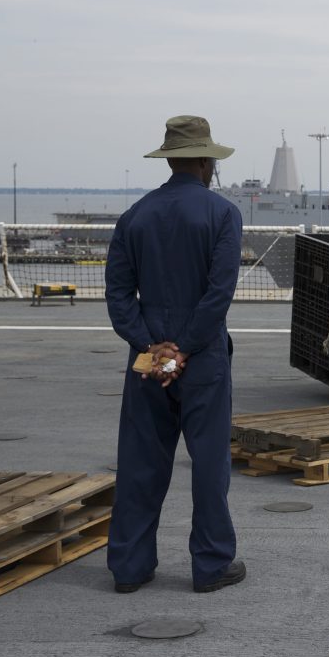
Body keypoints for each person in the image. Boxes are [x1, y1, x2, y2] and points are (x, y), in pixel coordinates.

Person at [105, 115, 247, 593]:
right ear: (206, 161)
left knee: (141, 463)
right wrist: (184, 349)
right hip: (202, 359)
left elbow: (119, 295)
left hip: (147, 359)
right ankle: (210, 567)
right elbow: (218, 293)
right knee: (209, 466)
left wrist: (152, 346)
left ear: (169, 160)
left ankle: (129, 567)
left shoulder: (135, 216)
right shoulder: (223, 215)